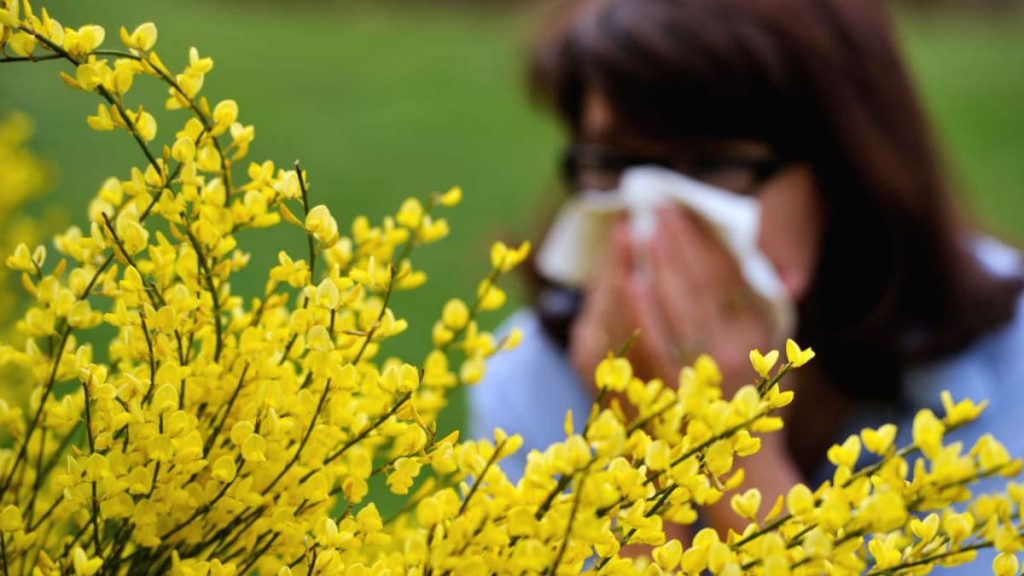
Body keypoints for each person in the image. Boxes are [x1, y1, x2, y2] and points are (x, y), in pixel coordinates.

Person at [469, 0, 1024, 557]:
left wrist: (733, 440)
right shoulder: (534, 377)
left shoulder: (1008, 361)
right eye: (615, 162)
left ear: (843, 173)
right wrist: (631, 449)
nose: (656, 212)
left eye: (714, 164)